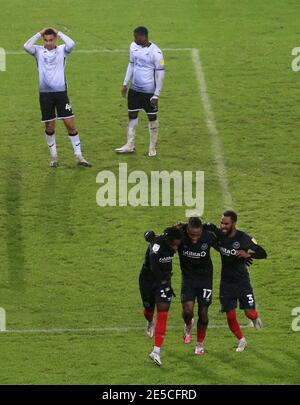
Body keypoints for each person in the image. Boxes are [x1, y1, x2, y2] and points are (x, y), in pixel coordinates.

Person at [24, 27, 91, 168]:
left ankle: (79, 156)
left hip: (61, 94)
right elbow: (26, 46)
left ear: (55, 39)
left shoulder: (62, 50)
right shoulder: (37, 51)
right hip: (45, 95)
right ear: (44, 39)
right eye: (46, 40)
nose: (48, 43)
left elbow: (72, 44)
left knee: (70, 124)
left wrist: (59, 32)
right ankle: (54, 157)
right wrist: (39, 33)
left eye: (51, 39)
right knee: (49, 126)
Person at [205, 211, 267, 352]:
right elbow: (201, 227)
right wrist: (185, 225)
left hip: (242, 281)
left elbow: (263, 253)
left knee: (249, 313)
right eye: (221, 223)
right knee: (230, 315)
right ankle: (241, 340)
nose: (223, 226)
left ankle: (255, 317)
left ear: (234, 223)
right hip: (226, 282)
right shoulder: (219, 234)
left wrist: (248, 254)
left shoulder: (244, 238)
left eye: (226, 223)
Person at [116, 26, 165, 157]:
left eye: (136, 37)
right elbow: (131, 64)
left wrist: (156, 95)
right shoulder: (133, 46)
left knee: (152, 118)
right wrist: (125, 83)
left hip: (149, 92)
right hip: (134, 90)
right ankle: (129, 145)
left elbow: (160, 76)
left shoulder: (156, 52)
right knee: (132, 116)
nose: (134, 39)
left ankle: (152, 148)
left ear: (144, 37)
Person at [139, 227, 182, 366]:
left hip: (164, 282)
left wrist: (166, 282)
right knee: (148, 309)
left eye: (177, 245)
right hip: (148, 280)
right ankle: (150, 321)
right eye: (173, 245)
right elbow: (154, 268)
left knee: (163, 313)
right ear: (168, 241)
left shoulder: (174, 237)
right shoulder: (156, 247)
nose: (175, 248)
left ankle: (156, 351)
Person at [176, 216, 217, 355]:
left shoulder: (209, 236)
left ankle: (200, 344)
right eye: (192, 234)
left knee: (203, 313)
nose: (194, 238)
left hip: (205, 279)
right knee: (188, 311)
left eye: (197, 235)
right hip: (188, 278)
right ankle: (188, 325)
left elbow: (224, 243)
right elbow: (164, 239)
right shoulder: (179, 234)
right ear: (186, 229)